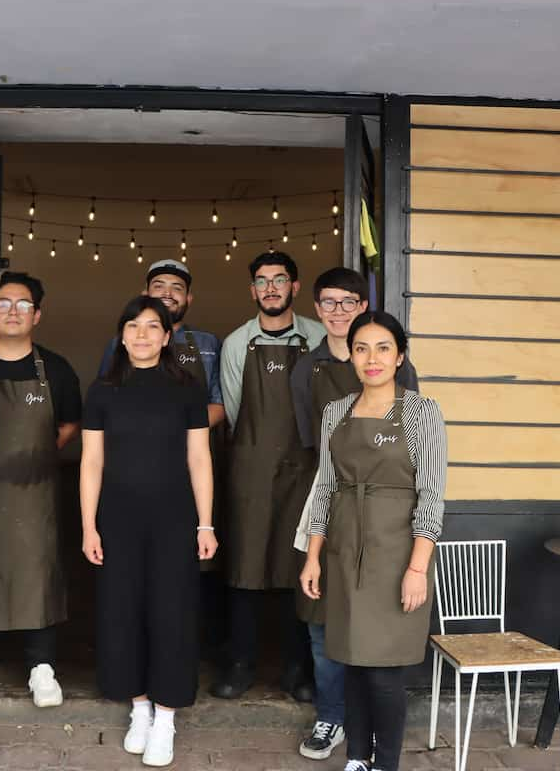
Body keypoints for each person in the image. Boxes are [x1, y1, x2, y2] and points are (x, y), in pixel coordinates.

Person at [298, 311, 446, 771]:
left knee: (383, 673)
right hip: (344, 552)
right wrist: (313, 558)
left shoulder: (424, 412)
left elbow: (432, 495)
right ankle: (358, 758)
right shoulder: (335, 412)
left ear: (399, 356)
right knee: (352, 664)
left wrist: (418, 568)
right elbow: (325, 488)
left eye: (383, 348)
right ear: (351, 356)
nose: (372, 358)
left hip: (398, 555)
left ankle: (386, 764)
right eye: (361, 348)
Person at [288, 268, 419, 761]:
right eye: (329, 302)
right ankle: (332, 716)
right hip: (329, 507)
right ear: (316, 308)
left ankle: (376, 750)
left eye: (349, 302)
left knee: (374, 635)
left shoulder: (407, 387)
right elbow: (315, 454)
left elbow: (422, 474)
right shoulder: (309, 371)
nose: (339, 311)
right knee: (322, 624)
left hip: (388, 526)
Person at [80, 296, 216, 768]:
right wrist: (88, 526)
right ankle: (138, 707)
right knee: (121, 613)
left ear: (166, 335)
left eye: (151, 326)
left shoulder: (187, 388)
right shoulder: (101, 391)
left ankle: (166, 718)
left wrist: (206, 523)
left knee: (171, 614)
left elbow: (199, 458)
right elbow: (91, 462)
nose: (141, 335)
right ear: (121, 335)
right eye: (133, 326)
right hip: (117, 519)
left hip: (175, 519)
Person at [0, 271, 82, 707]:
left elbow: (70, 422)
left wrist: (35, 455)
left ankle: (42, 668)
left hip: (36, 493)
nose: (14, 312)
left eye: (24, 305)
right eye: (5, 304)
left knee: (38, 573)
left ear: (38, 315)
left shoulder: (58, 369)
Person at [214, 251, 326, 702]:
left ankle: (299, 669)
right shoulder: (237, 343)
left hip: (305, 467)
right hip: (252, 467)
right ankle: (240, 665)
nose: (272, 288)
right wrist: (258, 453)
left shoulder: (317, 337)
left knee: (299, 567)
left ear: (295, 288)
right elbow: (237, 411)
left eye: (280, 280)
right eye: (262, 281)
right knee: (246, 566)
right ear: (253, 290)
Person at [97, 258, 224, 426]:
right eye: (159, 286)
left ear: (189, 298)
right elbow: (104, 402)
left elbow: (219, 403)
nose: (167, 294)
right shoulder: (121, 343)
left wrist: (181, 434)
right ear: (145, 295)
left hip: (195, 446)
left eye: (177, 288)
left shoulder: (208, 343)